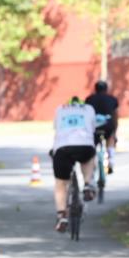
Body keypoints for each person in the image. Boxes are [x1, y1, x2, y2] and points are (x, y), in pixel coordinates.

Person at [51, 97, 97, 233]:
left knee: (61, 183)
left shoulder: (60, 109)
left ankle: (61, 216)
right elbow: (93, 128)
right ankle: (88, 184)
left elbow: (57, 129)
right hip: (84, 145)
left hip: (63, 147)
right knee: (88, 157)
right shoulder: (89, 109)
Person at [85, 80, 119, 173]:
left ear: (95, 89)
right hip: (108, 126)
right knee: (110, 139)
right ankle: (111, 161)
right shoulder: (112, 99)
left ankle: (93, 164)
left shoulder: (89, 99)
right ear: (106, 89)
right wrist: (115, 132)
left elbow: (86, 116)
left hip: (94, 127)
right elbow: (115, 116)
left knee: (92, 145)